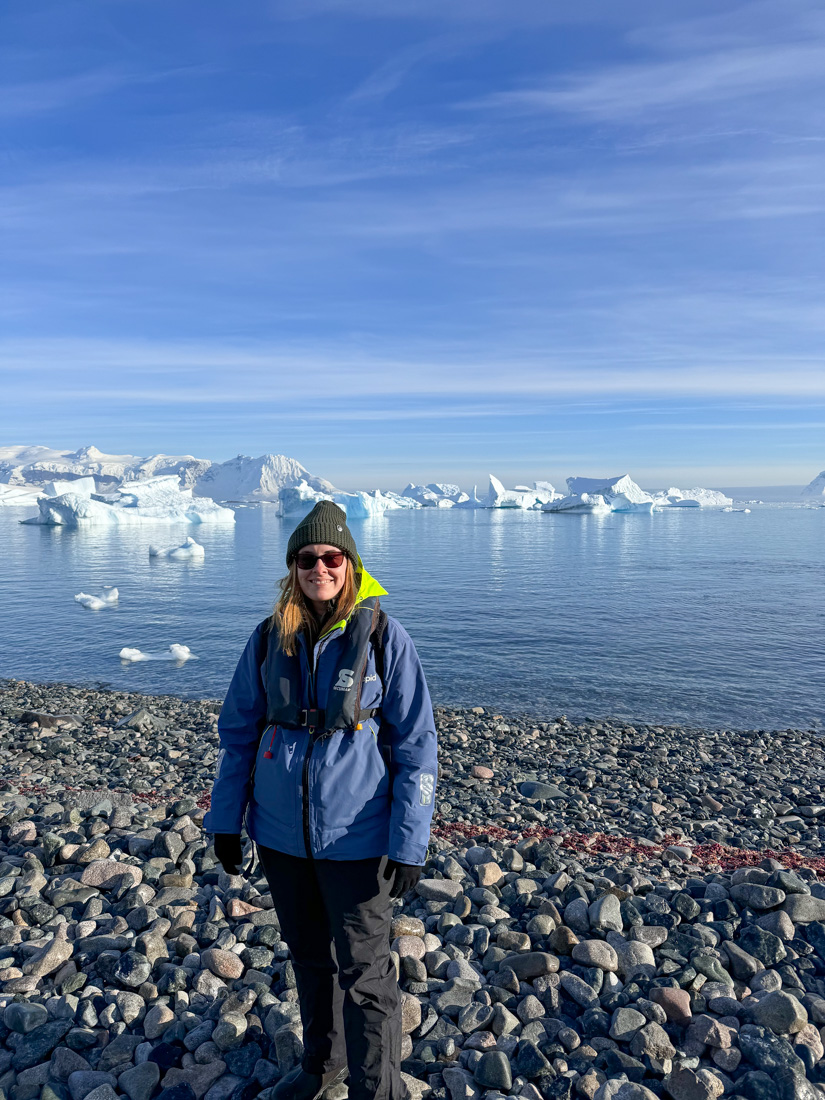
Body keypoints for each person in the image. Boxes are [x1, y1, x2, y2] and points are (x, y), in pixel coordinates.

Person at [205, 500, 438, 1100]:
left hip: (358, 842)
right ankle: (322, 1063)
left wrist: (409, 842)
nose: (319, 568)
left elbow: (417, 748)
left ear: (351, 565)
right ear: (293, 568)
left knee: (366, 975)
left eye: (331, 557)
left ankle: (376, 1090)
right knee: (310, 962)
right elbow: (237, 734)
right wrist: (225, 822)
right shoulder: (266, 640)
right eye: (307, 559)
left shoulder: (385, 639)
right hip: (282, 838)